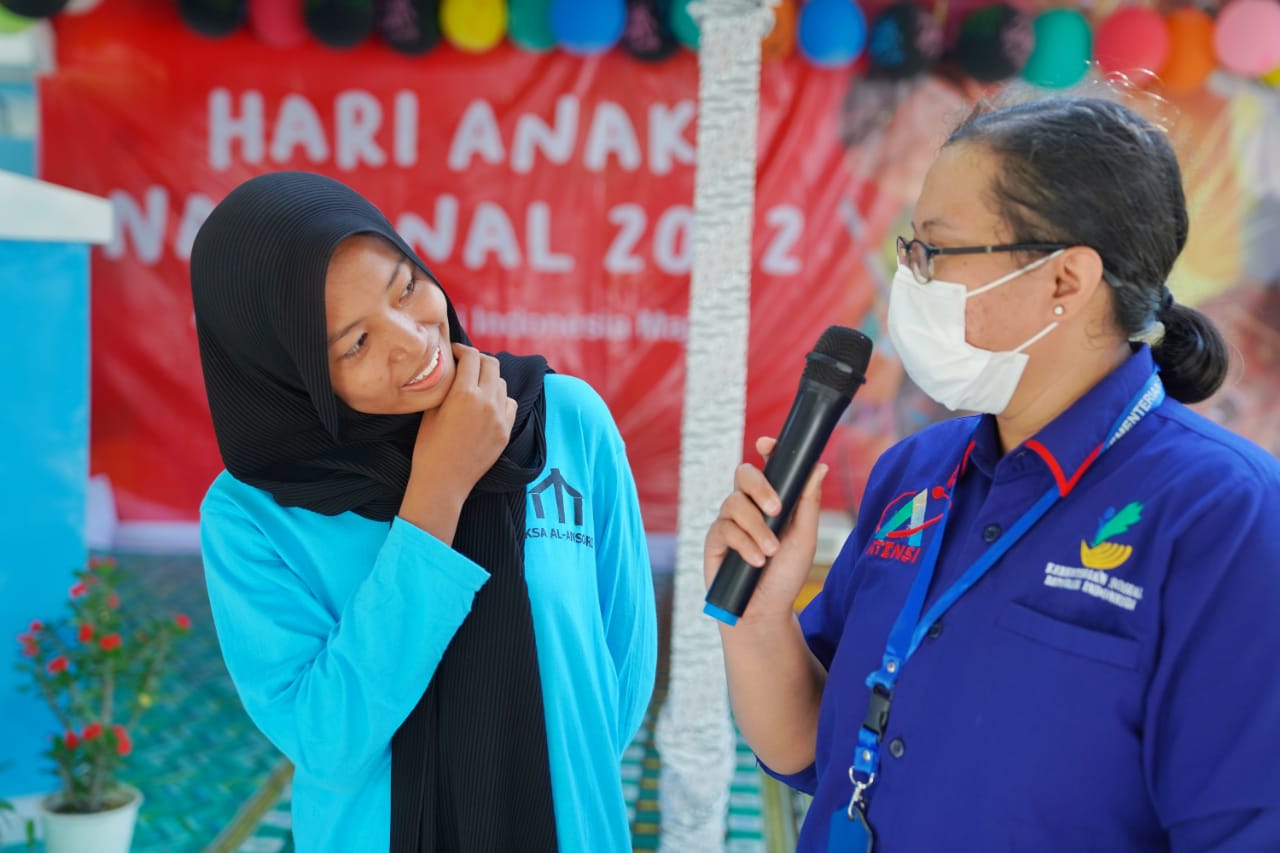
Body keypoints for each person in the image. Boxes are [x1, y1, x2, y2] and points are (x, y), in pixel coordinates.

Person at [705, 96, 1280, 851]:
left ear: (1066, 281)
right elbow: (811, 746)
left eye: (934, 254)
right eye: (910, 248)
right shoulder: (915, 471)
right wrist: (759, 624)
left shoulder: (1226, 512)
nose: (909, 279)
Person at [190, 171, 657, 852]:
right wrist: (438, 490)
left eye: (405, 287)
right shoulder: (253, 519)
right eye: (355, 344)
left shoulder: (562, 423)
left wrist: (538, 789)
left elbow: (619, 670)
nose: (411, 340)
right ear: (290, 377)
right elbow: (331, 741)